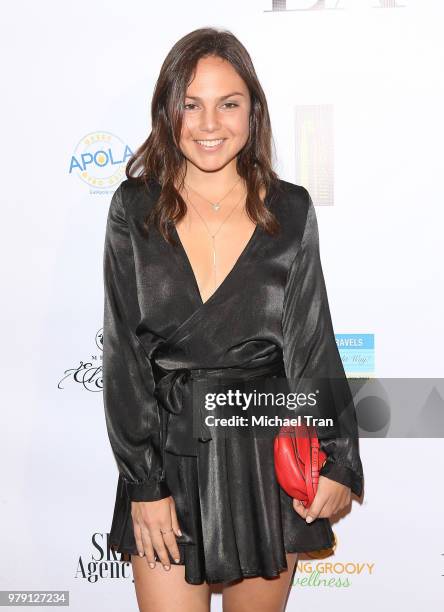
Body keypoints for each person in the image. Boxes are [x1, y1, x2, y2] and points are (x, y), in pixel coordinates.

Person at [102, 27, 364, 612]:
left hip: (263, 456)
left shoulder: (290, 209)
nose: (209, 124)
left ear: (253, 112)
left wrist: (339, 456)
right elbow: (123, 356)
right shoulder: (134, 209)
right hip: (169, 456)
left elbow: (311, 343)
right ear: (168, 111)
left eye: (228, 104)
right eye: (190, 104)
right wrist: (145, 485)